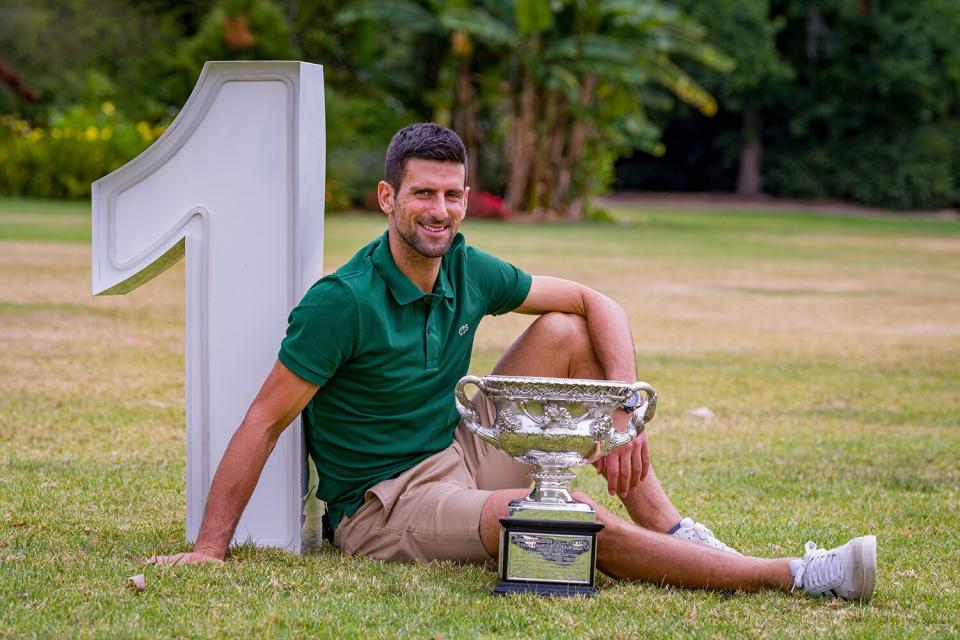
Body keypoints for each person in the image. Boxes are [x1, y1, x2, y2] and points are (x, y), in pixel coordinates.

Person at [151, 123, 877, 602]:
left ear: (467, 199)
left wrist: (626, 411)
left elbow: (598, 302)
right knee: (563, 517)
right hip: (388, 504)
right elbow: (264, 419)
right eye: (422, 195)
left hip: (460, 448)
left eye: (452, 195)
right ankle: (795, 575)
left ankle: (673, 528)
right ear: (387, 198)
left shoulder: (468, 266)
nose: (439, 211)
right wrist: (211, 549)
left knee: (567, 327)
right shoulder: (341, 302)